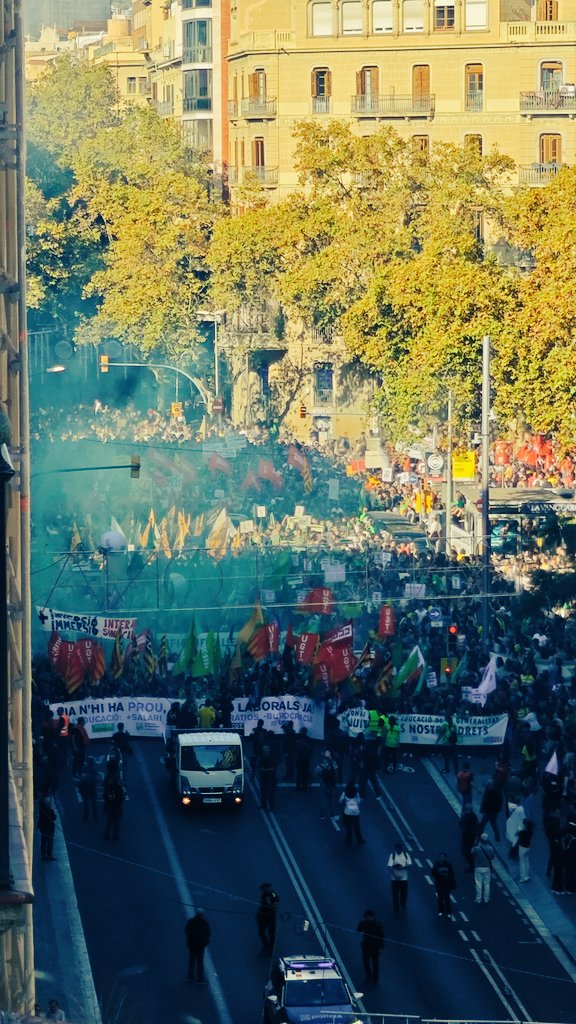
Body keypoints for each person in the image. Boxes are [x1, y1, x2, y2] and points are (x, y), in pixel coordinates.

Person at [356, 909, 385, 985]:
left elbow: (381, 937)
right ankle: (368, 977)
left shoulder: (378, 925)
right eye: (366, 917)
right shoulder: (364, 923)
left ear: (372, 916)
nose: (367, 918)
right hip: (366, 947)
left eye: (368, 917)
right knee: (365, 963)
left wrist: (381, 947)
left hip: (375, 947)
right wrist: (362, 921)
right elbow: (358, 929)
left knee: (375, 964)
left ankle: (375, 979)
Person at [185, 908, 211, 983]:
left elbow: (187, 931)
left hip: (192, 945)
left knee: (192, 960)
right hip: (200, 946)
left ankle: (190, 976)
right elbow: (208, 934)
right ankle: (200, 978)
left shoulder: (190, 922)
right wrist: (205, 943)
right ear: (202, 915)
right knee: (200, 962)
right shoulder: (205, 923)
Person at [387, 842, 412, 911]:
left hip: (404, 879)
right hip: (394, 879)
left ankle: (402, 903)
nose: (399, 850)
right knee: (395, 894)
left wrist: (403, 867)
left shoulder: (406, 855)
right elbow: (389, 867)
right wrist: (395, 876)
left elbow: (410, 865)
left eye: (400, 849)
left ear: (402, 849)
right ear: (395, 849)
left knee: (404, 894)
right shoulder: (392, 856)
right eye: (397, 849)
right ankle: (396, 908)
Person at [431, 852, 457, 918]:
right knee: (440, 897)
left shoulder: (448, 864)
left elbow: (451, 874)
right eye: (440, 857)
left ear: (445, 858)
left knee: (447, 897)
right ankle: (441, 911)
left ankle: (448, 912)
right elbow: (433, 872)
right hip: (439, 883)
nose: (441, 858)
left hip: (446, 883)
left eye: (443, 857)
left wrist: (452, 883)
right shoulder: (436, 864)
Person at [103, 765, 125, 840]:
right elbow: (121, 798)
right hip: (117, 808)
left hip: (109, 806)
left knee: (109, 821)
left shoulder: (109, 787)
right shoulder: (119, 789)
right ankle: (115, 836)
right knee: (116, 823)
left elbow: (105, 796)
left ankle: (106, 836)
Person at [472, 832, 495, 904]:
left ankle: (478, 898)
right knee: (487, 884)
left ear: (480, 840)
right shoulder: (490, 848)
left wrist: (475, 843)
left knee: (478, 884)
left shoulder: (476, 848)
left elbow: (472, 853)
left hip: (478, 867)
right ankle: (486, 898)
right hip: (487, 868)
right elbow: (492, 857)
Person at [256, 882, 279, 953]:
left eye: (264, 889)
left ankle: (270, 949)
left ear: (268, 888)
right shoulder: (264, 895)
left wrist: (268, 905)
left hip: (270, 917)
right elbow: (262, 905)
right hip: (263, 917)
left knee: (271, 933)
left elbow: (275, 906)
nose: (263, 890)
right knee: (261, 932)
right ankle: (266, 945)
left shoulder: (274, 895)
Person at [479, 776, 503, 841]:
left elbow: (485, 802)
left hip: (488, 811)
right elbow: (500, 800)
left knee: (482, 824)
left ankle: (479, 835)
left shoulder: (487, 792)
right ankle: (497, 837)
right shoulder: (497, 791)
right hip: (494, 811)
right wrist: (498, 809)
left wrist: (482, 809)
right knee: (493, 823)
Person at [318, 750, 339, 818]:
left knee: (323, 799)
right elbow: (336, 773)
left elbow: (316, 773)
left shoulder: (321, 764)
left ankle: (322, 815)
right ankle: (333, 814)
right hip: (332, 784)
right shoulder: (334, 763)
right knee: (332, 799)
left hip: (324, 784)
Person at [257, 745, 277, 811]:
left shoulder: (272, 758)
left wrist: (263, 769)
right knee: (263, 791)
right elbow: (259, 765)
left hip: (270, 777)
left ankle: (270, 805)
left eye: (265, 750)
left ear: (269, 750)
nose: (264, 751)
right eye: (264, 750)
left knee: (269, 791)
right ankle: (264, 804)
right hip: (263, 776)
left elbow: (272, 768)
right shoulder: (262, 757)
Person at [78, 757, 98, 822]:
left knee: (86, 803)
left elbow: (82, 779)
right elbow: (97, 779)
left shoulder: (84, 769)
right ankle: (95, 816)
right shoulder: (94, 769)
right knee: (94, 803)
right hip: (92, 788)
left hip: (85, 789)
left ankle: (85, 816)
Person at [38, 794, 57, 861]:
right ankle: (49, 855)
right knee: (49, 842)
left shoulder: (42, 809)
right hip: (49, 829)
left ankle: (43, 855)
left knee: (43, 842)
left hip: (43, 828)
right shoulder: (50, 810)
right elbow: (54, 817)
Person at [295, 727, 313, 791]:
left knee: (299, 772)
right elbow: (311, 749)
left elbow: (296, 748)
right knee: (305, 772)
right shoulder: (308, 739)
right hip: (306, 758)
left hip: (300, 758)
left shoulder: (298, 738)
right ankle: (304, 785)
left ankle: (298, 785)